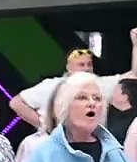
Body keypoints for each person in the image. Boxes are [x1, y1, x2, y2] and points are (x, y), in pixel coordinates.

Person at [9, 34, 137, 129]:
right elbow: (16, 102)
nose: (86, 69)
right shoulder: (50, 86)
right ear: (68, 67)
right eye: (81, 65)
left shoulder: (100, 84)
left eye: (89, 64)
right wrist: (44, 125)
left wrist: (136, 43)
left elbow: (133, 75)